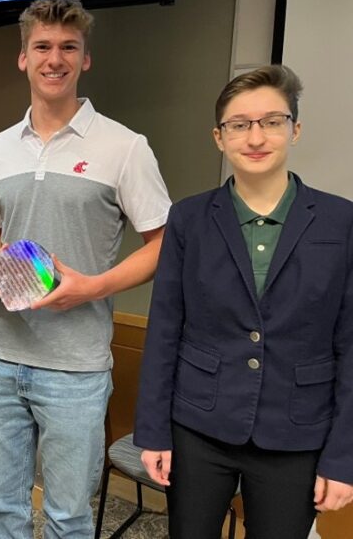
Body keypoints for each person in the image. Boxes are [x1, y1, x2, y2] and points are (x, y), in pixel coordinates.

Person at [0, 0, 171, 537]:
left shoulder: (125, 147)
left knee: (68, 517)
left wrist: (93, 287)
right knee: (0, 509)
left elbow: (164, 242)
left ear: (85, 59)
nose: (53, 58)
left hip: (76, 368)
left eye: (67, 48)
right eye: (42, 47)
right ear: (23, 57)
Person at [135, 65, 353, 538]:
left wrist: (343, 456)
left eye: (271, 121)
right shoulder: (189, 219)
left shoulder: (341, 222)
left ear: (295, 128)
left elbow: (350, 343)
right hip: (199, 425)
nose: (256, 136)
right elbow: (166, 327)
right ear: (219, 137)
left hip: (296, 431)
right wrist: (152, 432)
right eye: (239, 124)